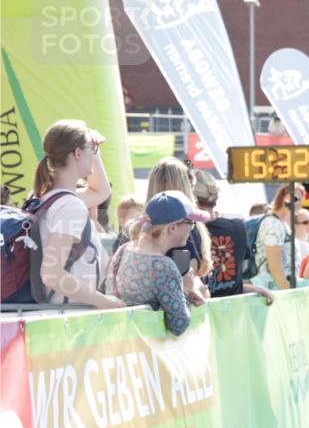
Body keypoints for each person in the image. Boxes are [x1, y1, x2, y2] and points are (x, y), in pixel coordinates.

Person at [31, 120, 123, 308]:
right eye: (92, 150)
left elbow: (101, 192)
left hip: (50, 313)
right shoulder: (70, 207)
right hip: (65, 316)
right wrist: (103, 301)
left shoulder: (40, 197)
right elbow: (52, 274)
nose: (94, 153)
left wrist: (94, 152)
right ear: (78, 153)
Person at [105, 191, 210, 336]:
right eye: (191, 223)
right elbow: (179, 324)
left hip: (118, 341)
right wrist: (184, 289)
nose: (193, 229)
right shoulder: (163, 266)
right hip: (145, 347)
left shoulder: (123, 249)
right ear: (172, 228)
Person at [191, 172, 272, 302]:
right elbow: (235, 282)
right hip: (234, 314)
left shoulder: (187, 231)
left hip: (201, 316)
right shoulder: (237, 227)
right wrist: (259, 289)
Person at [145, 157, 212, 301]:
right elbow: (188, 279)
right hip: (179, 310)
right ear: (185, 185)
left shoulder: (138, 226)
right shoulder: (188, 228)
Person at [252, 183, 302, 290]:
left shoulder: (282, 224)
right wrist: (287, 291)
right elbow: (274, 265)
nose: (300, 203)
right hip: (273, 288)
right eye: (297, 198)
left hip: (278, 286)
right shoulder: (273, 224)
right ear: (286, 198)